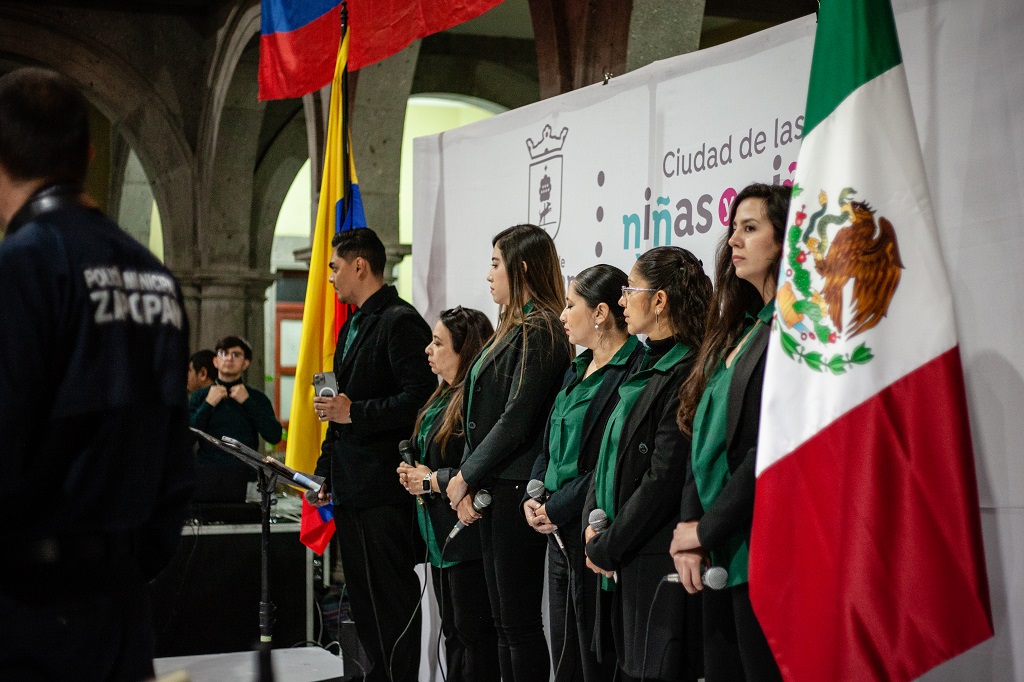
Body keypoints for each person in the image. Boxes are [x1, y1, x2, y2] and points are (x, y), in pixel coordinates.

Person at [0, 67, 194, 681]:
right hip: (122, 604)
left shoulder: (25, 266)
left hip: (31, 607)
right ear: (86, 153)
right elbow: (173, 455)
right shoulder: (153, 275)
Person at [671, 182, 790, 681]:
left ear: (784, 240)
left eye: (750, 228)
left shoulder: (792, 329)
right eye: (733, 229)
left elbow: (767, 449)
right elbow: (702, 443)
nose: (733, 241)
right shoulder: (740, 331)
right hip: (717, 550)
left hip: (762, 550)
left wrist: (704, 529)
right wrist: (689, 532)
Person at [309, 227, 437, 682]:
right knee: (363, 602)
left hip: (384, 489)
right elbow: (337, 411)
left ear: (359, 266)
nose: (330, 278)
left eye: (334, 267)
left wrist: (355, 412)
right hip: (351, 486)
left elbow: (422, 398)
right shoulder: (352, 323)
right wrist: (324, 470)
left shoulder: (400, 320)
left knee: (391, 599)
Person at [446, 224, 572, 682]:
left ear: (520, 268)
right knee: (503, 624)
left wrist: (465, 475)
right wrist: (469, 477)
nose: (488, 275)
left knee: (517, 625)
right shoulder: (512, 325)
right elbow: (483, 415)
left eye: (496, 263)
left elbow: (517, 418)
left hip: (514, 481)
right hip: (494, 483)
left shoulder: (541, 327)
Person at [583, 246, 712, 682]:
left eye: (629, 289)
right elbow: (606, 458)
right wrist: (593, 526)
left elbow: (662, 479)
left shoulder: (688, 369)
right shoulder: (645, 362)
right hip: (627, 555)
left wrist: (608, 544)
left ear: (659, 301)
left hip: (655, 557)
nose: (622, 300)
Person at [523, 265, 642, 682]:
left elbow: (608, 465)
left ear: (601, 313)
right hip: (556, 533)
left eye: (571, 305)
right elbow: (546, 445)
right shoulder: (575, 368)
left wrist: (556, 506)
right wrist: (532, 498)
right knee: (564, 658)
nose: (561, 314)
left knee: (597, 660)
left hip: (594, 531)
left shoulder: (635, 372)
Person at [396, 306, 499, 682]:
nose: (428, 349)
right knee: (454, 634)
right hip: (438, 538)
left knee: (474, 638)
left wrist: (428, 479)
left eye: (438, 343)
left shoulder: (476, 401)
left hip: (466, 538)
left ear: (465, 350)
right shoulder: (441, 395)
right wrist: (413, 474)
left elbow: (476, 471)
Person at [188, 336, 283, 496]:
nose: (228, 359)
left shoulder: (256, 397)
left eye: (235, 354)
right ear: (215, 361)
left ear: (245, 363)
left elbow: (274, 436)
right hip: (208, 477)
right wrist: (208, 404)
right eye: (223, 353)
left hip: (249, 480)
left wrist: (247, 402)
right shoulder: (200, 396)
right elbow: (186, 438)